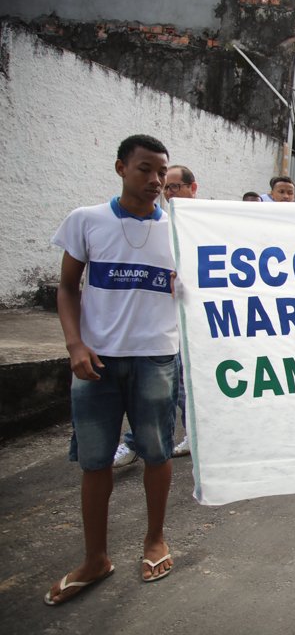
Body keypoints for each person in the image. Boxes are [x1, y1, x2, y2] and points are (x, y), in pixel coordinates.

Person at [46, 135, 178, 606]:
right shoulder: (86, 221)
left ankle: (155, 540)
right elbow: (66, 288)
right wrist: (74, 344)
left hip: (157, 357)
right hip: (97, 361)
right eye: (145, 169)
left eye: (161, 172)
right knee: (95, 461)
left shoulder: (180, 231)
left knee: (157, 453)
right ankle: (95, 558)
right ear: (121, 168)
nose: (155, 180)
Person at [114, 164, 195, 466]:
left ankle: (194, 436)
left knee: (184, 386)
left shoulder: (197, 227)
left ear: (192, 188)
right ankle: (137, 442)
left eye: (175, 186)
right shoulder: (154, 225)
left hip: (191, 323)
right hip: (158, 324)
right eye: (168, 187)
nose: (168, 191)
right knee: (161, 390)